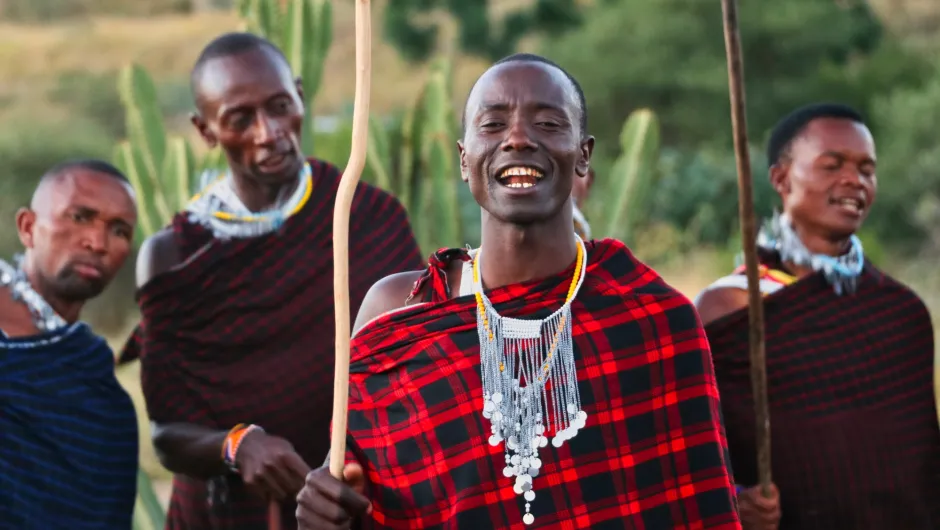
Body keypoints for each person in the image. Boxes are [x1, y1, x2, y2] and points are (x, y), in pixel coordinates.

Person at [295, 53, 741, 529]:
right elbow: (356, 489)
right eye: (493, 124)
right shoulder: (398, 313)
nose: (519, 139)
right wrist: (323, 511)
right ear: (465, 160)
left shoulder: (652, 318)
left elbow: (699, 506)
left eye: (548, 123)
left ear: (583, 155)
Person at [123, 32, 424, 529]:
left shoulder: (367, 217)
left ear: (300, 97)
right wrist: (237, 445)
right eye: (240, 119)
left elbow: (413, 378)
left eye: (280, 106)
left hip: (350, 507)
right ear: (205, 130)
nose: (269, 132)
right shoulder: (173, 254)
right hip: (228, 515)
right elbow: (166, 434)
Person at [695, 103, 940, 530]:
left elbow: (919, 458)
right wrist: (736, 500)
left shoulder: (902, 312)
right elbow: (695, 447)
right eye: (832, 165)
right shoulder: (730, 309)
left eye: (867, 169)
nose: (854, 180)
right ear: (780, 178)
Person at [0, 159, 140, 529]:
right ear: (28, 227)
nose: (97, 242)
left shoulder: (103, 399)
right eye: (80, 217)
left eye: (119, 231)